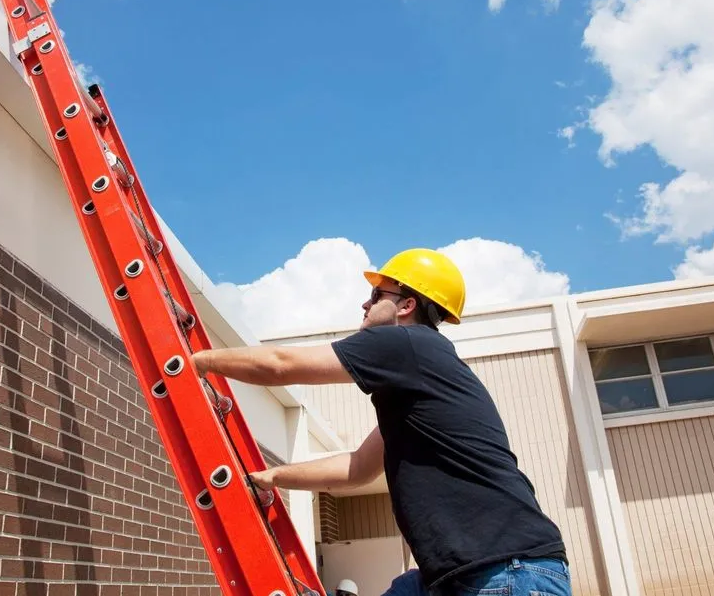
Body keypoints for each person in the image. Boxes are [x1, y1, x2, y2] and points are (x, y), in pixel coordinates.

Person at [190, 248, 571, 596]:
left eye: (376, 296)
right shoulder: (418, 381)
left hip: (506, 572)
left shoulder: (407, 344)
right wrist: (276, 476)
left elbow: (280, 365)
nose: (365, 303)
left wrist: (198, 362)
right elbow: (357, 467)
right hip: (469, 572)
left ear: (406, 305)